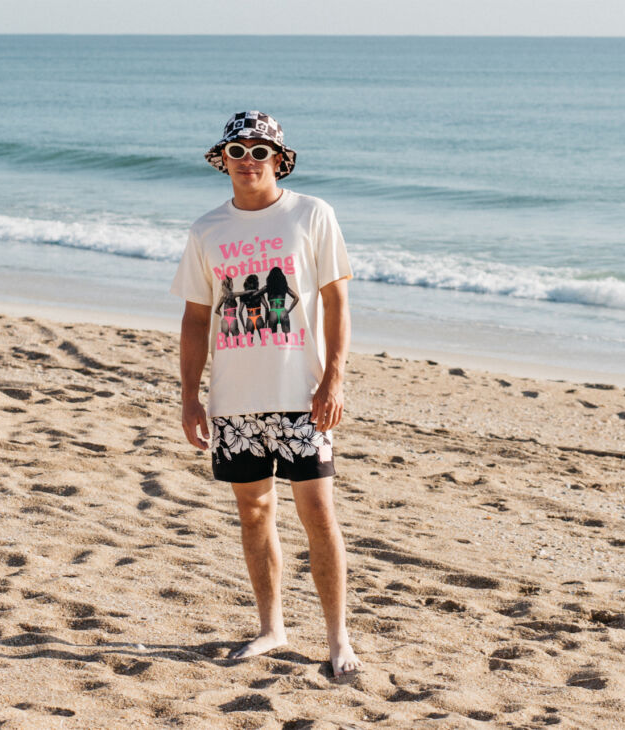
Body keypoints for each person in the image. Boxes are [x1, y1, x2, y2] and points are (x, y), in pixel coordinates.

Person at [170, 110, 361, 680]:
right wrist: (189, 397)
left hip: (302, 395)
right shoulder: (207, 230)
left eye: (260, 151)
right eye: (238, 151)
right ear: (222, 160)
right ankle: (272, 628)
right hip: (234, 402)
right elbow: (195, 320)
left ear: (279, 159)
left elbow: (337, 302)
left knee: (318, 515)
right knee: (253, 513)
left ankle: (337, 638)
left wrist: (334, 378)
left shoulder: (312, 214)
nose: (248, 160)